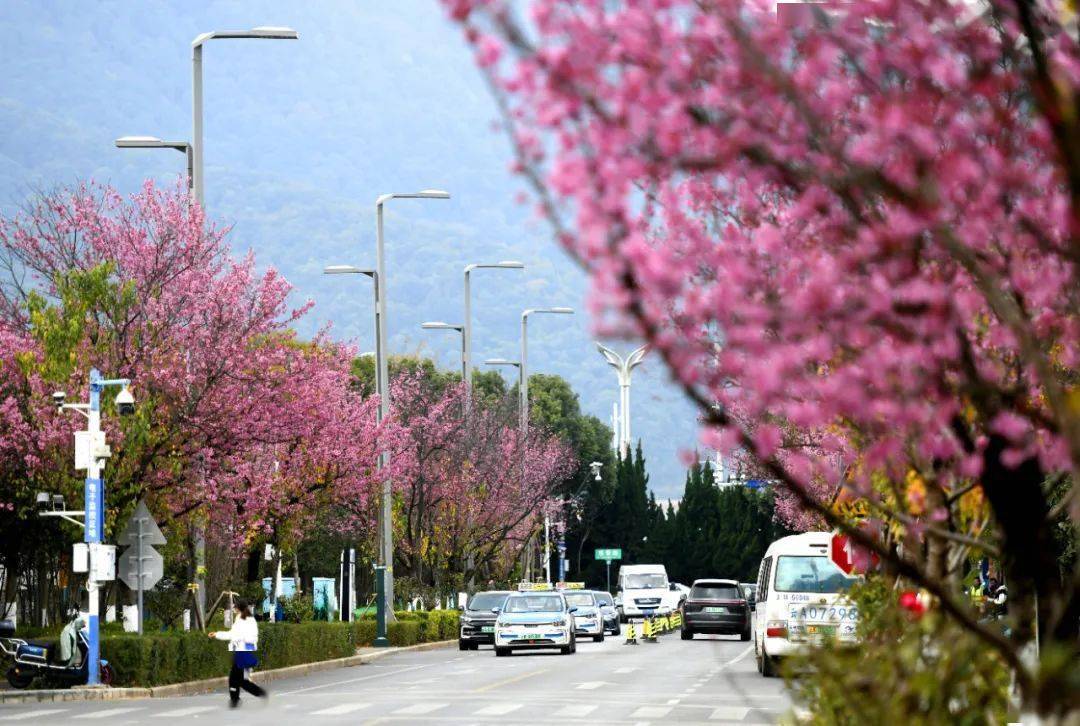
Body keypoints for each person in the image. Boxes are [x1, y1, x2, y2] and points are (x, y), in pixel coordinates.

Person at [209, 599, 266, 707]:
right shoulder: (249, 619)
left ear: (239, 608)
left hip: (242, 652)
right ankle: (237, 699)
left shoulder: (241, 620)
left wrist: (216, 634)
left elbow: (233, 635)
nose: (234, 609)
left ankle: (242, 698)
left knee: (238, 679)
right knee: (238, 679)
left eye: (235, 607)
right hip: (246, 651)